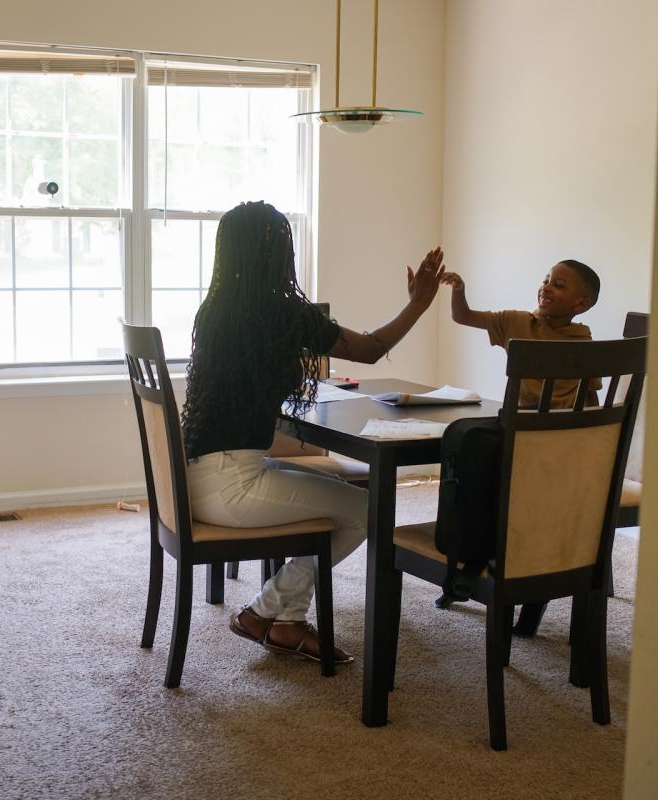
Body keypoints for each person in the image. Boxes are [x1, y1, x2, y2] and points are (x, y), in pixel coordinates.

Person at [182, 200, 445, 665]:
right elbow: (368, 350)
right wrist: (419, 304)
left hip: (200, 478)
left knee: (337, 492)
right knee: (366, 508)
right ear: (279, 253)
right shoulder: (283, 314)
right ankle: (264, 612)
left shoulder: (215, 311)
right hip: (234, 488)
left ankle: (287, 622)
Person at [441, 259, 603, 408]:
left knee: (462, 431)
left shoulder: (583, 343)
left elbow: (588, 394)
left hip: (522, 427)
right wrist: (459, 289)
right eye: (545, 281)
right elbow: (463, 316)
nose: (545, 288)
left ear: (580, 304)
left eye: (558, 285)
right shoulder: (515, 321)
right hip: (565, 430)